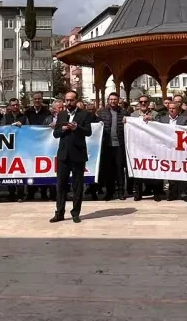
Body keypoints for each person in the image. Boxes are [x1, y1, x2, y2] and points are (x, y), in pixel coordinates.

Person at [50, 90, 93, 223]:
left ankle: (75, 213)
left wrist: (77, 128)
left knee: (77, 186)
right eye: (67, 100)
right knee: (61, 185)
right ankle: (59, 212)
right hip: (63, 155)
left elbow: (88, 132)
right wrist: (62, 129)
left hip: (78, 155)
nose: (69, 102)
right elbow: (55, 134)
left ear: (76, 100)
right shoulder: (61, 114)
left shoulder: (84, 114)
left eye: (71, 100)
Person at [95, 92, 129, 202]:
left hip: (119, 145)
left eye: (115, 99)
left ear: (118, 100)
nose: (113, 101)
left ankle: (120, 192)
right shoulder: (102, 112)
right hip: (106, 146)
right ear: (108, 100)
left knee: (119, 169)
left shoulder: (124, 112)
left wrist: (127, 121)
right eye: (111, 99)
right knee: (108, 170)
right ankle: (109, 192)